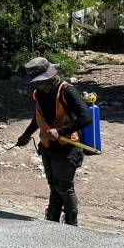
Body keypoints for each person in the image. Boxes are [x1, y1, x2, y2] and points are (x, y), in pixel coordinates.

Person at [16, 57, 92, 226]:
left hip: (68, 146)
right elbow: (38, 118)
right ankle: (52, 222)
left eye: (39, 81)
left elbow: (86, 119)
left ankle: (71, 223)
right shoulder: (39, 93)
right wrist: (26, 135)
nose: (36, 85)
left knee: (64, 186)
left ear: (50, 77)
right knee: (53, 185)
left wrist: (60, 131)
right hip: (47, 146)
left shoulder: (67, 91)